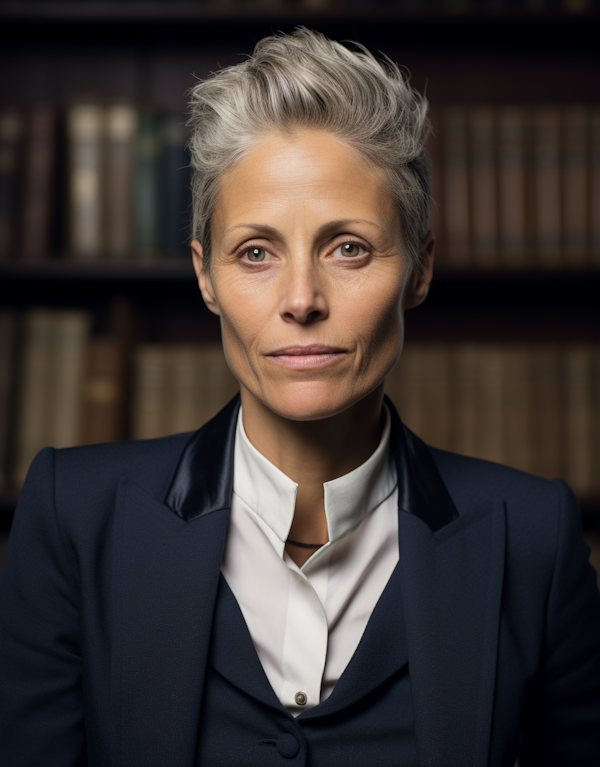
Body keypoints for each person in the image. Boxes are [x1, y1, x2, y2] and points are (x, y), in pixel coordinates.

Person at [1, 27, 599, 767]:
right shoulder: (71, 515)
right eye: (256, 252)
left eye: (348, 246)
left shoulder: (534, 537)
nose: (302, 299)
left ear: (419, 268)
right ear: (205, 276)